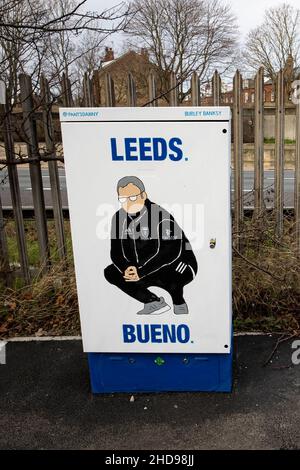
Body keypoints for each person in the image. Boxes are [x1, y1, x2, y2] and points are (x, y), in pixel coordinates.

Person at [104, 176, 198, 315]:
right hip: (143, 266)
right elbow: (116, 252)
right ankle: (153, 302)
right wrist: (126, 268)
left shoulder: (161, 215)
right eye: (123, 199)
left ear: (143, 195)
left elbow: (170, 252)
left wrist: (141, 272)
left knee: (173, 275)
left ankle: (178, 301)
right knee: (111, 272)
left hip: (179, 263)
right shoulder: (118, 218)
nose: (128, 203)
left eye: (133, 197)